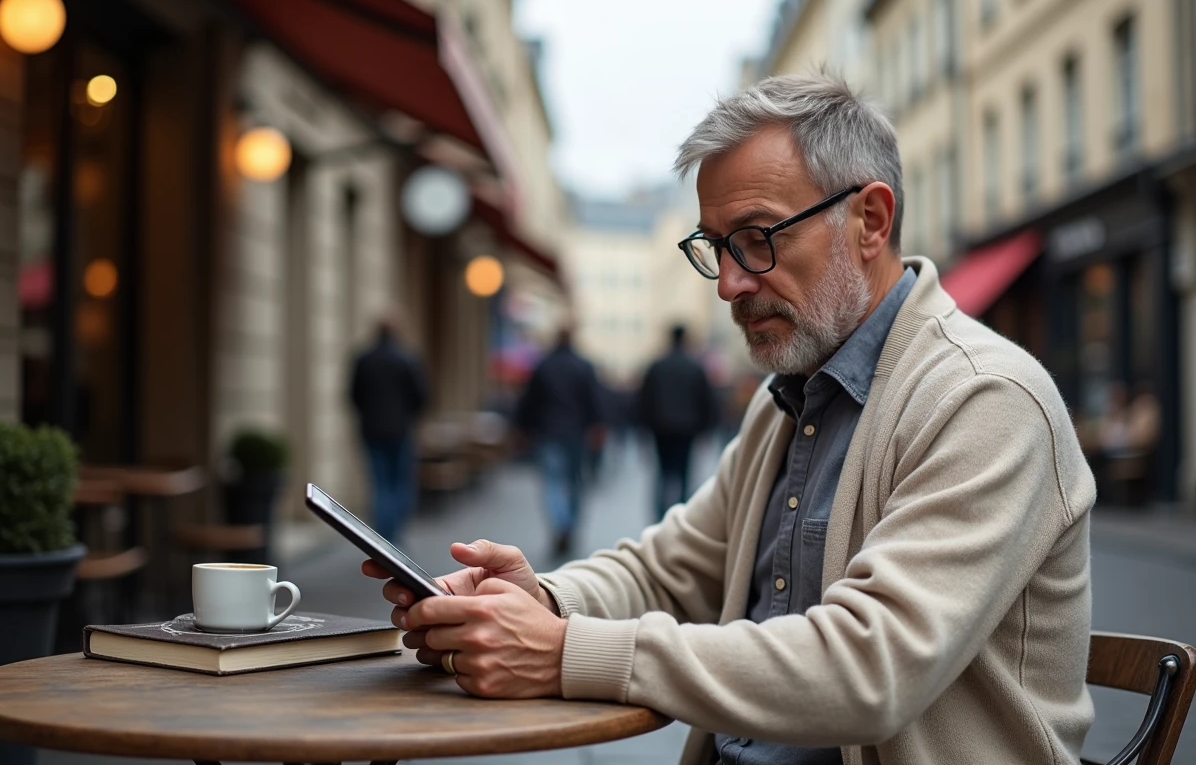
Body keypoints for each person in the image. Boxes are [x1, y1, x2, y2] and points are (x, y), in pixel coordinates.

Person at [363, 73, 1097, 765]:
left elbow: (871, 668)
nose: (730, 284)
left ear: (869, 221)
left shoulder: (985, 397)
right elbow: (671, 569)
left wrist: (561, 651)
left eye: (757, 238)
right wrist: (542, 599)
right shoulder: (793, 396)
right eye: (717, 248)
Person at [514, 326, 604, 555]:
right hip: (576, 433)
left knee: (552, 482)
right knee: (575, 482)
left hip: (548, 432)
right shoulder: (583, 366)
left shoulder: (544, 366)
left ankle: (561, 523)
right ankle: (570, 524)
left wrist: (522, 428)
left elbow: (529, 400)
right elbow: (594, 399)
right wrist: (597, 426)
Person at [349, 310, 429, 544]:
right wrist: (408, 416)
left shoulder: (363, 359)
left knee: (380, 482)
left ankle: (383, 533)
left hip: (371, 430)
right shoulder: (407, 359)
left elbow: (354, 395)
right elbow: (421, 396)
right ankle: (394, 532)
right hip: (400, 430)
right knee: (399, 482)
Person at [637, 324, 718, 520]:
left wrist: (644, 427)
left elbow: (645, 399)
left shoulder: (657, 366)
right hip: (687, 428)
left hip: (661, 427)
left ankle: (660, 515)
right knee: (684, 472)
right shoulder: (695, 367)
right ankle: (681, 514)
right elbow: (705, 400)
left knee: (663, 472)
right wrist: (706, 429)